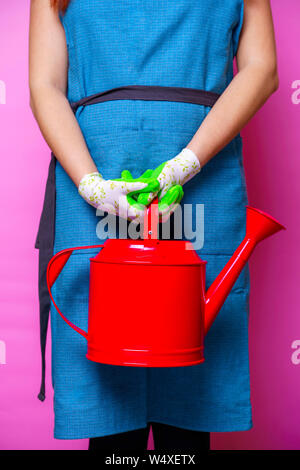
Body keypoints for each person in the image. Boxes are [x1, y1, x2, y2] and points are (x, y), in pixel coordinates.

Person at [29, 0, 279, 451]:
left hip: (206, 172)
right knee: (106, 406)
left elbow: (262, 68)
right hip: (92, 173)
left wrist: (187, 162)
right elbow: (46, 85)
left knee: (188, 409)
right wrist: (91, 185)